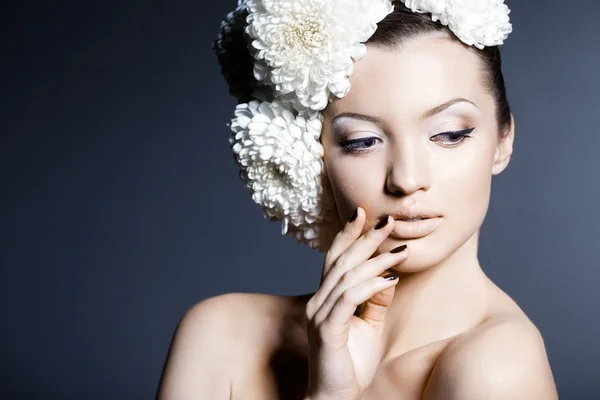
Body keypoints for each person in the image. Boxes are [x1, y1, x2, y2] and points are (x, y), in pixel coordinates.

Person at [157, 0, 559, 398]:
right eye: (362, 142)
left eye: (449, 134)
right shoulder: (221, 335)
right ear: (313, 157)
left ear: (503, 140)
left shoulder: (499, 367)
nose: (406, 179)